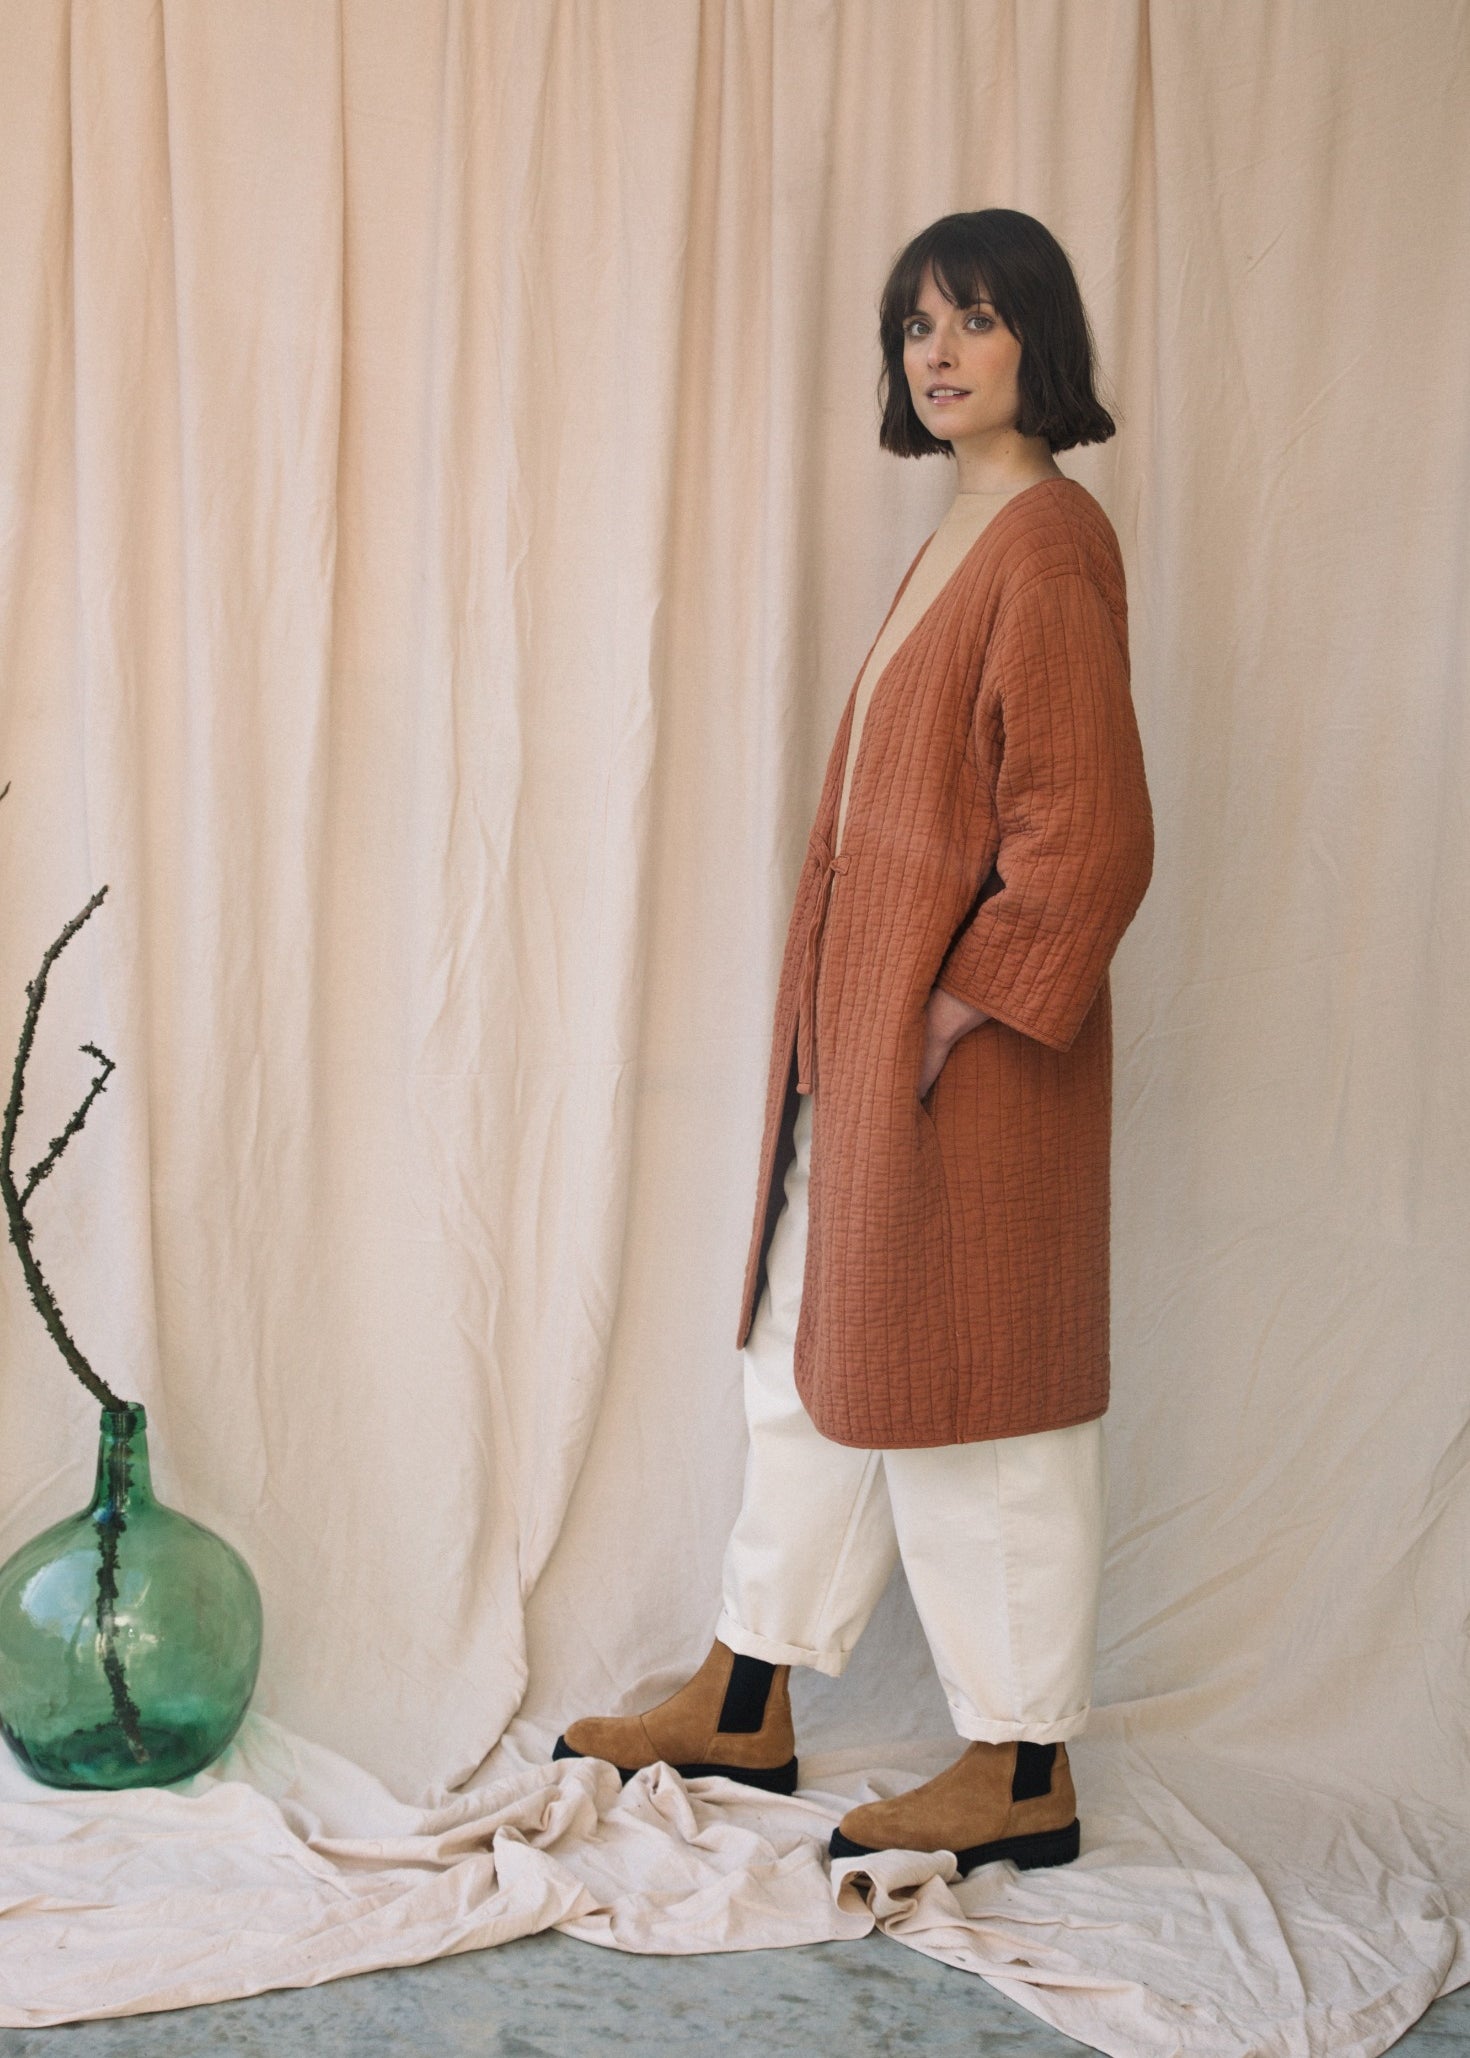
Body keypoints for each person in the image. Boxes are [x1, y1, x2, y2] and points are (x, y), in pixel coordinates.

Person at [555, 209, 1155, 1879]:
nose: (938, 352)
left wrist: (955, 1008)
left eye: (974, 318)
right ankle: (746, 1690)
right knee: (804, 1353)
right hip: (867, 1047)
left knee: (985, 1406)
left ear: (1038, 339)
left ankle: (1021, 1763)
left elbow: (1087, 836)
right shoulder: (967, 531)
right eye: (914, 326)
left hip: (971, 1067)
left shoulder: (1047, 542)